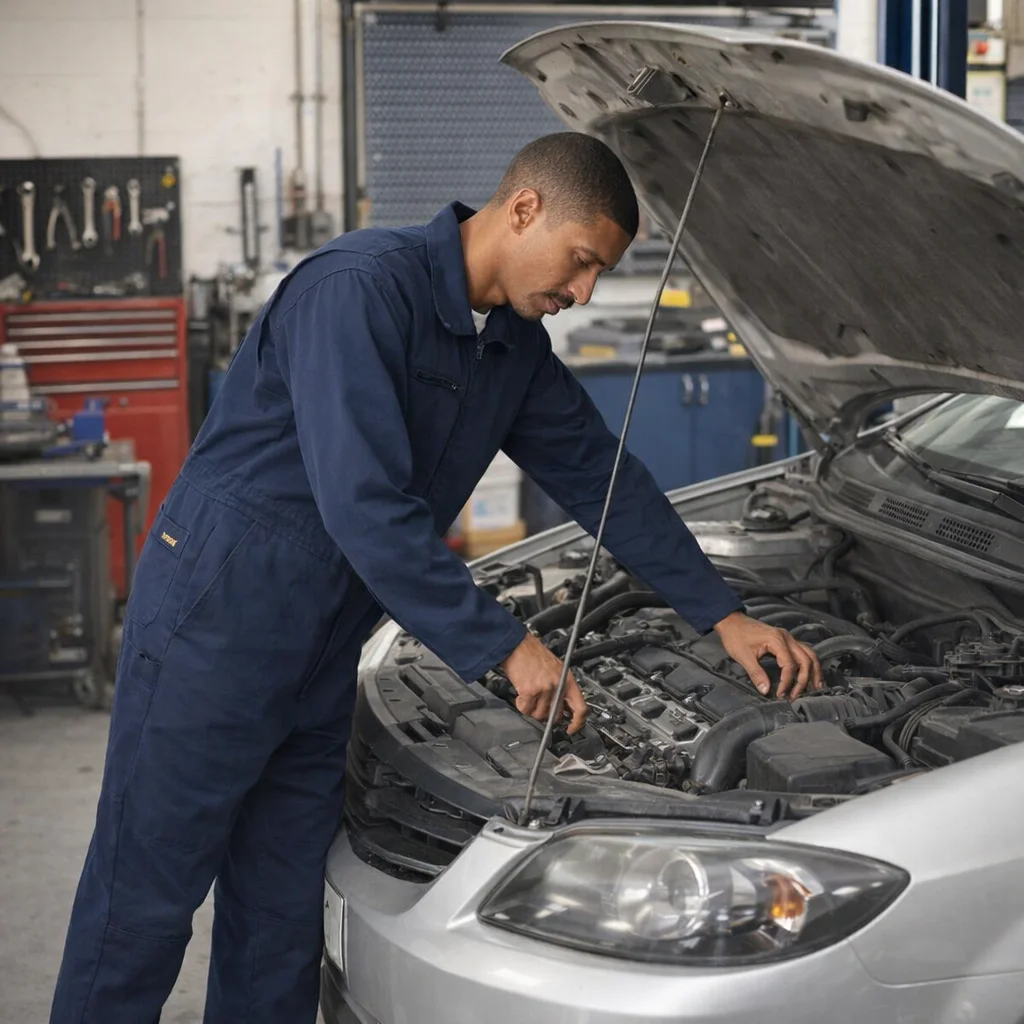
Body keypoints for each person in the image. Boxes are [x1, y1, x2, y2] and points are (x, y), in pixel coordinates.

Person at [50, 132, 822, 1024]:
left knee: (278, 922)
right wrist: (506, 647)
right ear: (524, 209)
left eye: (599, 275)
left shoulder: (510, 347)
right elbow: (365, 506)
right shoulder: (357, 290)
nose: (583, 294)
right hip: (215, 629)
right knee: (140, 907)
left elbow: (602, 481)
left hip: (324, 651)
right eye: (581, 262)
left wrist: (721, 616)